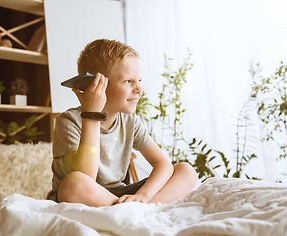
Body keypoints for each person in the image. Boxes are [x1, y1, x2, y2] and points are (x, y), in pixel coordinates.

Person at [47, 39, 197, 207]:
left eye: (139, 80)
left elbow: (163, 165)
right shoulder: (69, 121)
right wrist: (92, 114)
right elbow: (85, 176)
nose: (139, 89)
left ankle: (138, 209)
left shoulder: (130, 121)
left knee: (186, 171)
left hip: (116, 196)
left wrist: (143, 196)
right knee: (73, 184)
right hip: (84, 194)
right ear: (96, 85)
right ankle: (133, 210)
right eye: (128, 81)